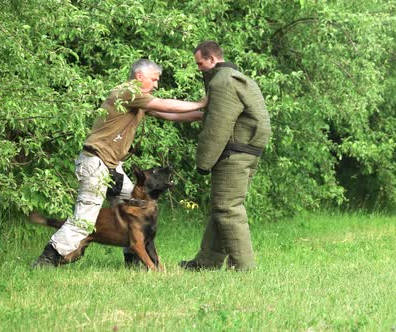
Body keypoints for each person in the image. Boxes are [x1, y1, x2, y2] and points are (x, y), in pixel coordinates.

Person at [33, 59, 206, 267]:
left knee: (135, 204)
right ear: (139, 76)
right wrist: (201, 103)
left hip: (112, 166)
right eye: (154, 80)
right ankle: (47, 258)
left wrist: (203, 115)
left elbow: (168, 114)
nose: (156, 85)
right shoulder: (126, 92)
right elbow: (162, 104)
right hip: (95, 163)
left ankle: (133, 258)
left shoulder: (137, 100)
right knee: (85, 220)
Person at [179, 41, 271, 271]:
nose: (199, 68)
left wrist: (203, 162)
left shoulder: (223, 82)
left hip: (235, 151)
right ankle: (206, 261)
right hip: (247, 150)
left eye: (200, 63)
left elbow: (217, 125)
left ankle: (243, 267)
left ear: (212, 59)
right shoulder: (239, 78)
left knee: (228, 208)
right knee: (222, 205)